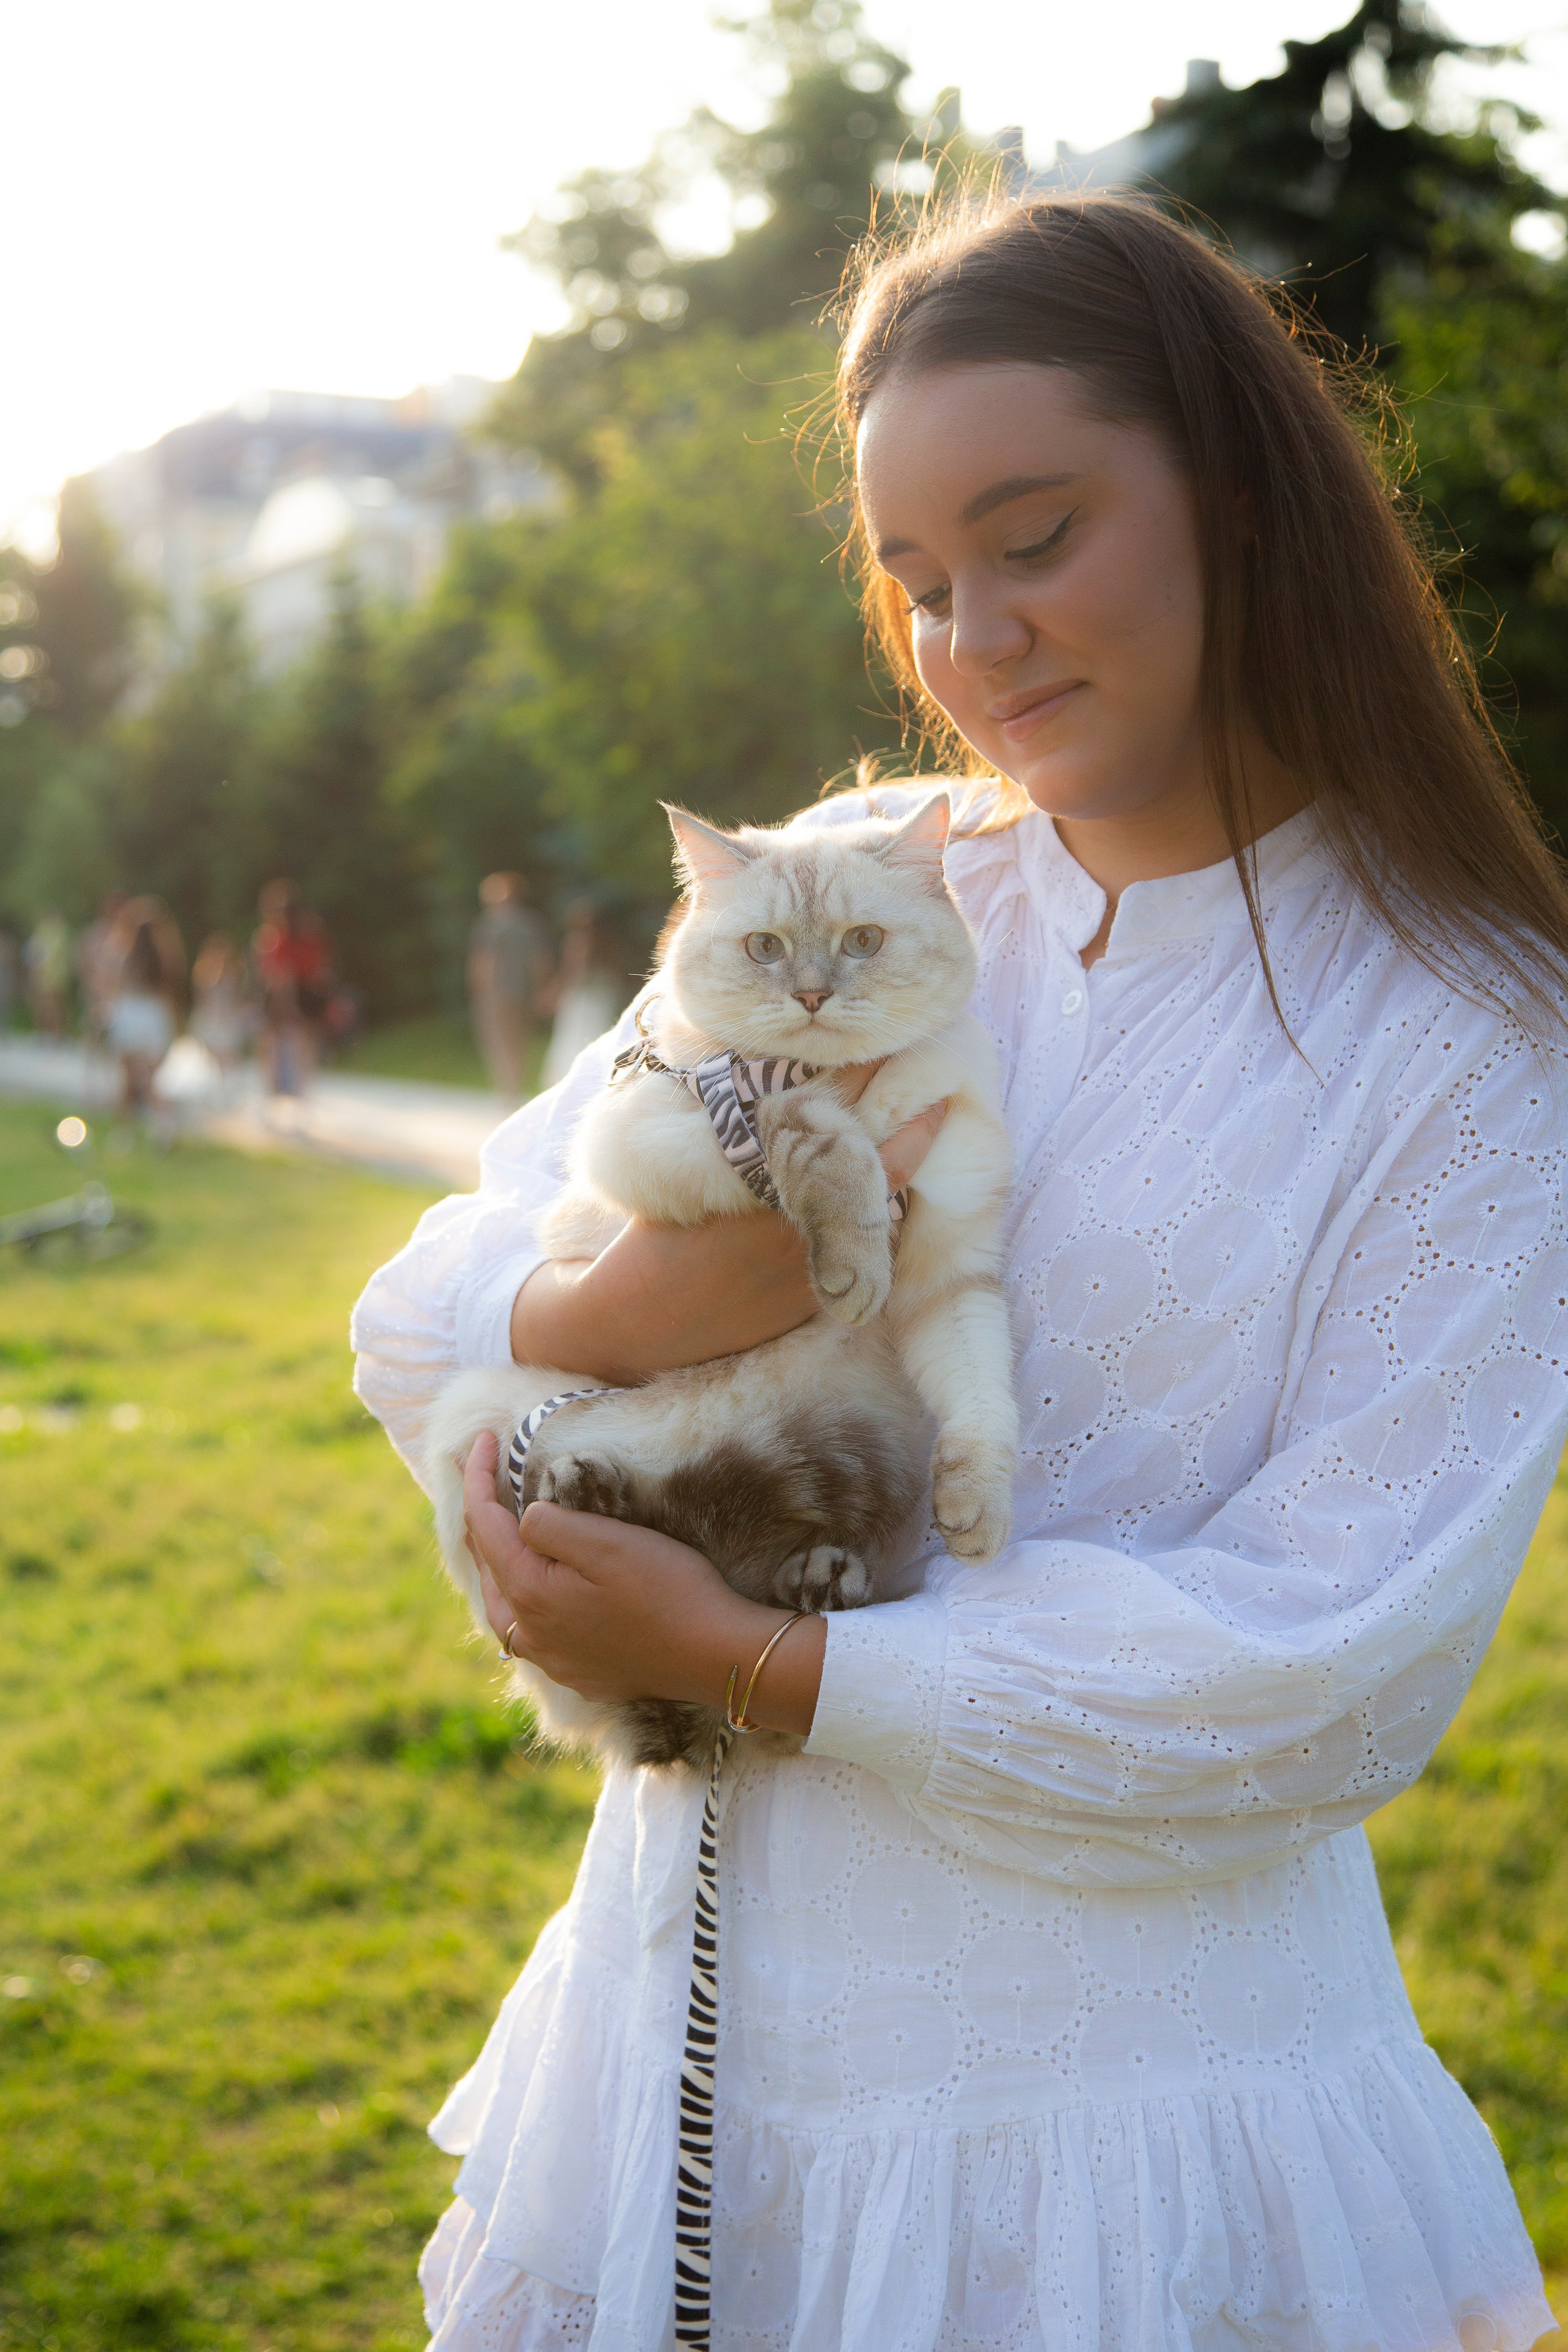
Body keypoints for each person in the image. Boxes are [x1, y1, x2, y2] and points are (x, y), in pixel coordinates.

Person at [351, 194, 1568, 2350]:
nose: (973, 638)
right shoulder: (871, 885)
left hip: (1112, 2140)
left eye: (1036, 538)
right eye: (917, 581)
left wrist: (760, 1663)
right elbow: (428, 1296)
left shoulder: (1467, 1033)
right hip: (686, 2049)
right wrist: (610, 1318)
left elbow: (1328, 1653)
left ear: (1240, 494)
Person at [469, 872, 552, 1101]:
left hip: (497, 992)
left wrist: (480, 991)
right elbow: (540, 961)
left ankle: (507, 1089)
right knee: (521, 1040)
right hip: (525, 991)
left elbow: (485, 962)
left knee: (497, 1040)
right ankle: (518, 1085)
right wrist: (541, 990)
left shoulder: (490, 924)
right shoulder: (530, 923)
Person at [104, 895, 184, 1126]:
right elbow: (172, 991)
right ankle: (161, 1122)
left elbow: (116, 984)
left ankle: (125, 1127)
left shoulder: (126, 952)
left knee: (129, 1078)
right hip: (155, 1016)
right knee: (150, 1078)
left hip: (130, 1014)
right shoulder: (166, 955)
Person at [252, 880, 334, 1099]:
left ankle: (281, 1090)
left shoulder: (278, 937)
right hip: (301, 993)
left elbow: (280, 975)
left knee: (279, 1040)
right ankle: (297, 1089)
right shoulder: (306, 932)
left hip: (291, 994)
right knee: (300, 1041)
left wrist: (287, 1004)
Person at [538, 898, 626, 1092]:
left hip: (584, 998)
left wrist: (554, 994)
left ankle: (572, 1079)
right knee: (593, 1034)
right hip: (599, 996)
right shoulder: (608, 944)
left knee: (576, 1035)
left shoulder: (579, 943)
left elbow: (571, 973)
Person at [189, 933, 256, 1093]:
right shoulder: (203, 973)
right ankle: (219, 1086)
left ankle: (231, 1086)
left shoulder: (234, 973)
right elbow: (202, 999)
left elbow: (237, 998)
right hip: (212, 1020)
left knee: (230, 1055)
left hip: (228, 1020)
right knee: (214, 1056)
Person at [77, 889, 128, 1048]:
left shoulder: (128, 934)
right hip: (96, 988)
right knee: (94, 1026)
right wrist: (92, 981)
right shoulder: (94, 933)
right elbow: (84, 959)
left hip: (120, 991)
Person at [23, 911, 72, 1037]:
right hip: (45, 975)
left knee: (54, 1005)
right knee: (42, 1004)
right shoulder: (42, 932)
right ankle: (44, 1032)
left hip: (54, 976)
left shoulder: (58, 933)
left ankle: (56, 1033)